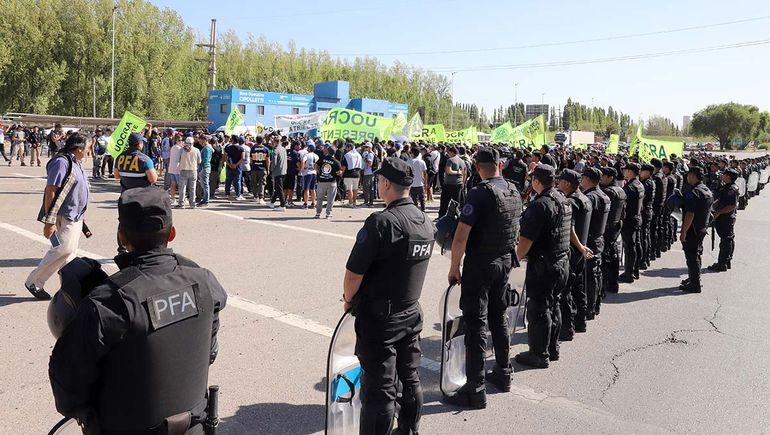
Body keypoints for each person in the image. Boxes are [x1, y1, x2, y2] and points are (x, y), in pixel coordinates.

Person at [48, 187, 227, 433]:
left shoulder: (108, 301)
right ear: (171, 233)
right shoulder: (205, 282)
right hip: (193, 426)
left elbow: (68, 385)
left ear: (122, 237)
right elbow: (210, 352)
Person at [343, 157, 434, 435]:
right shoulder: (424, 220)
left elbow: (353, 274)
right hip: (410, 311)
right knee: (409, 378)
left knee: (379, 391)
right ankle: (408, 429)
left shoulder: (382, 222)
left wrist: (348, 299)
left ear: (384, 184)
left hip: (381, 318)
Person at [444, 148, 522, 408]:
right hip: (504, 261)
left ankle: (475, 388)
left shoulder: (479, 193)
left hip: (481, 264)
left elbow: (461, 235)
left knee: (476, 323)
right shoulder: (513, 190)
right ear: (499, 165)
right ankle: (503, 371)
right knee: (498, 316)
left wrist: (455, 266)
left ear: (477, 168)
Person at [513, 164, 570, 369]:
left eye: (532, 179)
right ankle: (552, 347)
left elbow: (526, 241)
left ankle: (539, 353)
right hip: (561, 261)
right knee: (553, 305)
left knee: (538, 309)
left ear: (537, 181)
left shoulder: (541, 205)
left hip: (545, 265)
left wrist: (514, 261)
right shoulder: (562, 198)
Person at [25, 134, 91, 300]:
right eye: (89, 147)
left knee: (69, 253)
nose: (90, 150)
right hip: (63, 215)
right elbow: (51, 191)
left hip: (76, 216)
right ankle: (34, 281)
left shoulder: (77, 162)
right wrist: (50, 221)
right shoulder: (62, 162)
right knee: (62, 249)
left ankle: (71, 287)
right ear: (79, 148)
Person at [556, 169, 593, 341]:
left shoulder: (571, 201)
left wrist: (579, 247)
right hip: (580, 250)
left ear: (568, 184)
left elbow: (570, 229)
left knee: (566, 291)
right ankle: (580, 321)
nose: (558, 184)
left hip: (573, 250)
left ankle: (567, 327)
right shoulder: (585, 198)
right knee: (579, 288)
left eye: (561, 181)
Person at [580, 167, 610, 321]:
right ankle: (595, 305)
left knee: (589, 277)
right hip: (599, 239)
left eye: (583, 177)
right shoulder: (604, 195)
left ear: (588, 179)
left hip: (590, 240)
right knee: (596, 274)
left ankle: (589, 308)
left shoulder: (591, 197)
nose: (581, 180)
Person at [678, 166, 714, 293]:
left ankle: (695, 284)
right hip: (701, 227)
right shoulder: (706, 190)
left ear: (692, 176)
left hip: (692, 229)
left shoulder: (694, 193)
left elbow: (690, 214)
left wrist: (683, 232)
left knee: (692, 256)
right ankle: (694, 278)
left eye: (688, 175)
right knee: (696, 254)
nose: (687, 177)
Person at [600, 167, 626, 299]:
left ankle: (603, 285)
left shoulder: (608, 192)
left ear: (610, 178)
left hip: (608, 226)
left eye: (603, 176)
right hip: (616, 225)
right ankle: (613, 282)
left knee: (605, 257)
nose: (601, 178)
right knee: (614, 253)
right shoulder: (621, 190)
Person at [707, 167, 739, 272]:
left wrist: (718, 212)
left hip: (725, 218)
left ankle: (722, 263)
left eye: (724, 175)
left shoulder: (731, 189)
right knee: (728, 239)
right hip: (726, 218)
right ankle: (726, 261)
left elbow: (731, 205)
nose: (722, 176)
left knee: (726, 241)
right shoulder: (727, 187)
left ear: (728, 177)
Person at [618, 163, 644, 284]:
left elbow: (623, 206)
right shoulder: (639, 184)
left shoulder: (630, 187)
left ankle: (629, 273)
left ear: (630, 172)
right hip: (637, 217)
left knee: (629, 247)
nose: (623, 172)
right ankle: (635, 270)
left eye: (625, 170)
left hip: (629, 220)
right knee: (636, 245)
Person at [315, 145, 342, 219]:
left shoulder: (322, 159)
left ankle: (318, 213)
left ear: (328, 151)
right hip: (331, 182)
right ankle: (328, 214)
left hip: (322, 181)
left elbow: (315, 165)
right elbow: (340, 172)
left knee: (319, 198)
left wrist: (319, 172)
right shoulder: (336, 161)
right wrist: (335, 174)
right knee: (330, 199)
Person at [639, 164, 656, 270]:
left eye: (642, 170)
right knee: (645, 236)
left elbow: (642, 198)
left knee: (643, 237)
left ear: (648, 173)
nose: (640, 172)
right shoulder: (649, 182)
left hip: (645, 211)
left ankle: (644, 260)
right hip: (648, 211)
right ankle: (646, 258)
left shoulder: (647, 183)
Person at [438, 147, 465, 218]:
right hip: (459, 183)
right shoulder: (462, 161)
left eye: (449, 153)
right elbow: (465, 173)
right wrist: (463, 183)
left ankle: (441, 216)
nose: (448, 154)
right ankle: (457, 216)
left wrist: (457, 172)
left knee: (444, 201)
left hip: (449, 184)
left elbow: (448, 171)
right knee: (456, 202)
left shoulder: (450, 160)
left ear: (453, 152)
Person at [176, 137, 201, 209]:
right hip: (193, 170)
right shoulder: (197, 150)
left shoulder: (181, 150)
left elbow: (177, 159)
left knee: (182, 188)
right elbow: (199, 161)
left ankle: (181, 203)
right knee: (192, 188)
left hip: (183, 169)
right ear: (193, 143)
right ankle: (192, 204)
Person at [342, 143, 363, 207]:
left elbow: (344, 166)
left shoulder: (347, 155)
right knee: (355, 189)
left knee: (349, 189)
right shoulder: (358, 155)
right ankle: (354, 202)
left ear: (349, 148)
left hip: (349, 173)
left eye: (347, 147)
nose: (346, 149)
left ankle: (350, 203)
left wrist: (342, 173)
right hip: (357, 173)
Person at [224, 135, 246, 201]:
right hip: (238, 167)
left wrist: (229, 164)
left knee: (228, 180)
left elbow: (225, 157)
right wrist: (236, 165)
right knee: (237, 181)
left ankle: (227, 193)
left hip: (229, 166)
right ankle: (238, 194)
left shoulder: (228, 147)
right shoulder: (241, 148)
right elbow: (243, 158)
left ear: (232, 140)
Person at [269, 137, 288, 210]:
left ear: (275, 142)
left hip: (277, 171)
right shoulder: (283, 149)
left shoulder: (275, 150)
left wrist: (271, 170)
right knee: (278, 187)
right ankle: (272, 202)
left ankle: (282, 205)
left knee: (279, 188)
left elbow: (274, 162)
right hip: (283, 170)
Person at [249, 136, 270, 203]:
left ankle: (255, 196)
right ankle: (261, 197)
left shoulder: (253, 149)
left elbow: (251, 160)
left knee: (254, 183)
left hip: (254, 168)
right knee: (262, 183)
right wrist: (268, 169)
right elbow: (268, 160)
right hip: (262, 168)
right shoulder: (266, 149)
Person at [407, 147, 428, 212]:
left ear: (413, 153)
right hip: (420, 183)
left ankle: (415, 211)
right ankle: (423, 211)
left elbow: (406, 172)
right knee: (422, 199)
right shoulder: (422, 162)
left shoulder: (409, 161)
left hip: (412, 183)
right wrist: (425, 182)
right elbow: (425, 173)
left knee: (413, 199)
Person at [196, 136, 214, 207]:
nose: (200, 143)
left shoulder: (206, 148)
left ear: (204, 140)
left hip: (204, 168)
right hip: (205, 167)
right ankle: (205, 200)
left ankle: (206, 200)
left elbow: (205, 160)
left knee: (205, 185)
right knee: (205, 185)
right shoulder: (208, 148)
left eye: (201, 141)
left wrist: (200, 164)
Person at [301, 144, 319, 209]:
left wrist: (302, 169)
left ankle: (306, 203)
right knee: (313, 189)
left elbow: (303, 161)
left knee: (306, 189)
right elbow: (318, 164)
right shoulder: (316, 156)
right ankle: (313, 203)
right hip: (314, 172)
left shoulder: (306, 155)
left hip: (307, 172)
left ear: (309, 149)